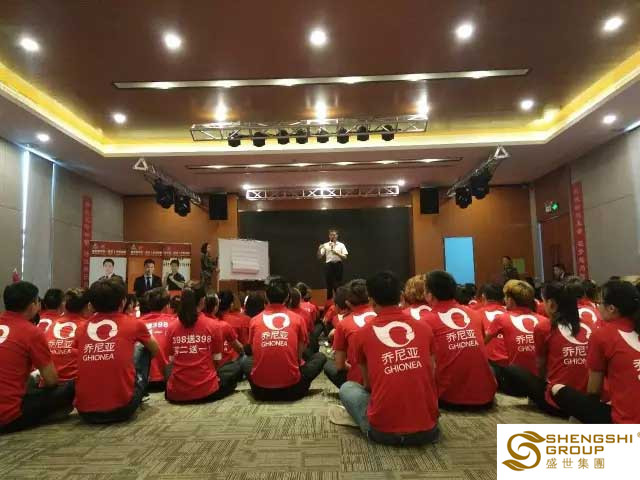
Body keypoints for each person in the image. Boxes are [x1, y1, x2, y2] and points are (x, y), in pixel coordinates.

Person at [331, 271, 439, 446]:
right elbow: (431, 373)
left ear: (371, 300)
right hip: (429, 431)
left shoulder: (361, 335)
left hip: (383, 433)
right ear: (401, 296)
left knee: (347, 388)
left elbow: (368, 385)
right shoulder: (425, 328)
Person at [551, 280, 640, 423]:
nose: (598, 306)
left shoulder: (602, 335)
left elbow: (593, 391)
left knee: (556, 389)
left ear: (611, 308)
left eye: (600, 303)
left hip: (626, 424)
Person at [500, 281, 593, 417]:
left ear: (551, 304)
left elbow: (541, 365)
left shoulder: (544, 327)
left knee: (513, 370)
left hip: (558, 401)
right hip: (587, 402)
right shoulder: (591, 326)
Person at [74, 278, 160, 424]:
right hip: (123, 409)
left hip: (84, 412)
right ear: (122, 302)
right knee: (143, 349)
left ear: (91, 305)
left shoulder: (81, 328)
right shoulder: (134, 324)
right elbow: (155, 350)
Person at [0, 282, 75, 434]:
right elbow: (51, 380)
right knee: (72, 387)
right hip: (8, 416)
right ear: (32, 305)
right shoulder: (31, 332)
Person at [245, 276, 327, 401]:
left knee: (245, 361)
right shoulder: (298, 319)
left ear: (266, 297)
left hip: (260, 391)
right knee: (320, 357)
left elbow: (254, 352)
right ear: (288, 297)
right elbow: (298, 358)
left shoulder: (254, 321)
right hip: (293, 390)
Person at [423, 271, 497, 409]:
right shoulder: (474, 314)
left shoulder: (425, 322)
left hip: (449, 397)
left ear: (430, 295)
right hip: (487, 395)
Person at [164, 286, 240, 403]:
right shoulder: (214, 325)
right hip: (206, 390)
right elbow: (216, 361)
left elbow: (171, 361)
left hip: (176, 393)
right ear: (202, 300)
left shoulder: (171, 327)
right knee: (234, 369)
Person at [485, 280, 549, 395]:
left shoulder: (501, 319)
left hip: (516, 384)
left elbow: (482, 343)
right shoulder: (545, 321)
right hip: (542, 382)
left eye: (506, 297)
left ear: (510, 300)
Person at [324, 279, 376, 388]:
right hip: (387, 379)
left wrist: (353, 367)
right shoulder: (381, 315)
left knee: (328, 365)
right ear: (370, 298)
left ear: (347, 302)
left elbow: (340, 366)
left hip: (360, 385)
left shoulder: (343, 324)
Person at [42, 288, 92, 385]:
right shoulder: (87, 327)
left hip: (48, 383)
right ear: (87, 306)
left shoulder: (52, 325)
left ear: (65, 305)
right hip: (72, 385)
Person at [140, 288, 174, 390]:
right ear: (167, 305)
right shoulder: (174, 322)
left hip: (142, 381)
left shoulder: (137, 323)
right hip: (167, 380)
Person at [202, 293, 245, 371]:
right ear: (216, 307)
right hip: (223, 368)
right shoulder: (223, 326)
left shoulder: (193, 324)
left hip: (202, 367)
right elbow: (240, 348)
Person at [477, 284, 508, 368]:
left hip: (488, 363)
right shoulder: (511, 312)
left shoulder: (475, 314)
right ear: (503, 298)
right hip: (513, 362)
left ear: (483, 297)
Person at [317, 229, 348, 299]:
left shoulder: (341, 245)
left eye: (334, 235)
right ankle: (329, 301)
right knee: (329, 284)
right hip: (329, 265)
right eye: (331, 235)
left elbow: (345, 257)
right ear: (329, 236)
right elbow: (319, 257)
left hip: (338, 265)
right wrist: (319, 249)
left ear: (337, 236)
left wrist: (336, 253)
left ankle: (339, 300)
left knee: (338, 284)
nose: (333, 236)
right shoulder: (325, 245)